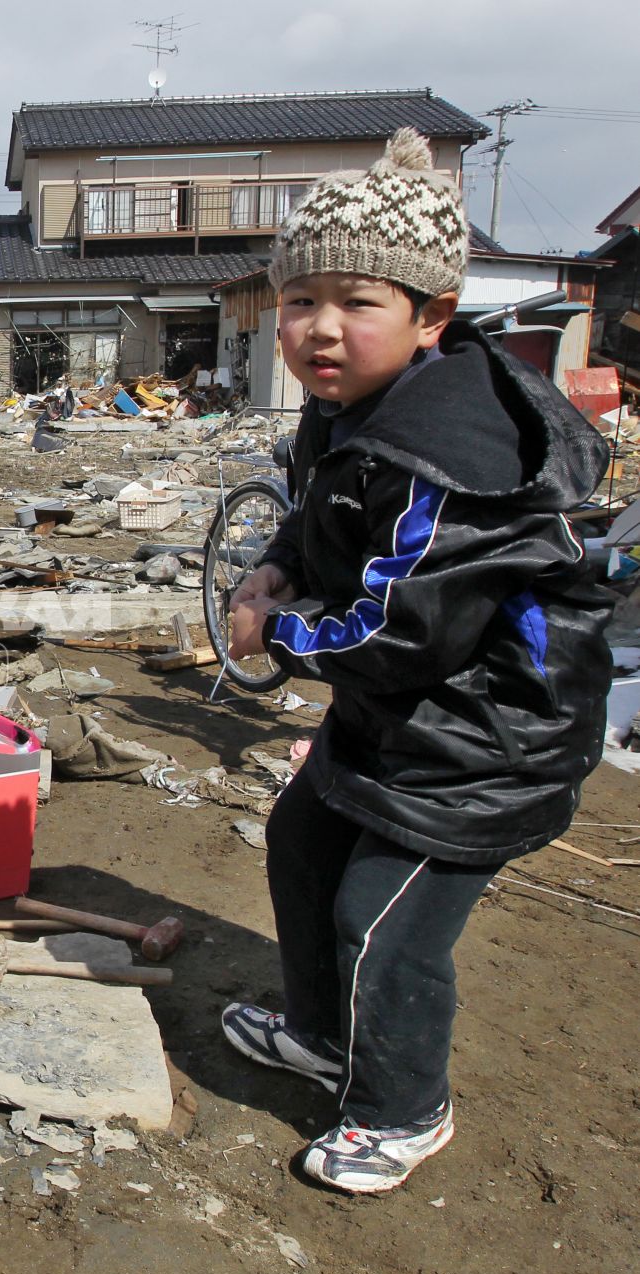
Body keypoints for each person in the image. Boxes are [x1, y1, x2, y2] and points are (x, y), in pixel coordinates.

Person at [220, 129, 611, 1195]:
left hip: (486, 738)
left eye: (356, 300)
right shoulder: (345, 408)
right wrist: (269, 566)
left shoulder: (444, 449)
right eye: (298, 300)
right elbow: (317, 522)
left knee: (379, 924)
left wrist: (280, 630)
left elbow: (403, 627)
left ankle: (402, 1106)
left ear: (430, 315)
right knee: (301, 841)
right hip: (399, 714)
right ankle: (317, 1031)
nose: (318, 328)